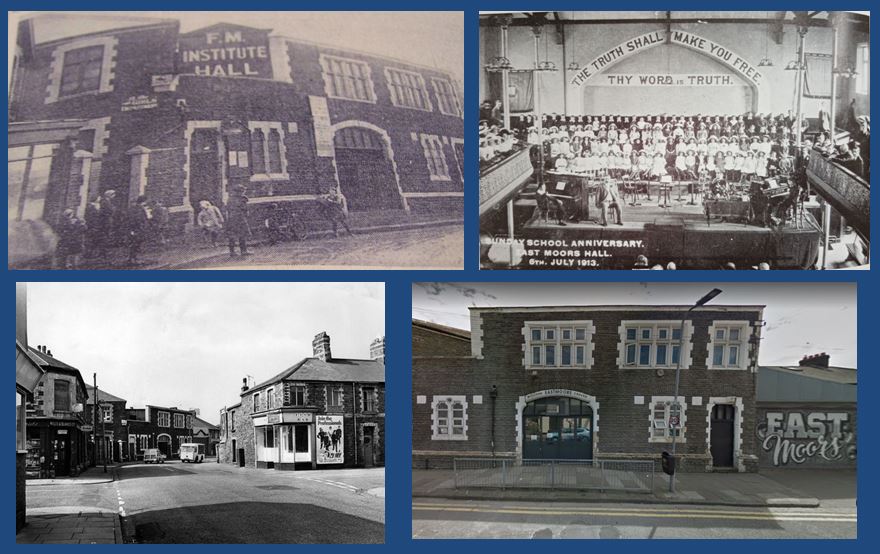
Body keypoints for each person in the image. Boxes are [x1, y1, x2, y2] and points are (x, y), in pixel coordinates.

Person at [225, 185, 252, 256]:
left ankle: (233, 252)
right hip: (239, 218)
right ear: (238, 192)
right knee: (240, 235)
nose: (243, 192)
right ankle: (242, 251)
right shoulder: (240, 199)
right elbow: (244, 209)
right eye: (242, 191)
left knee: (234, 236)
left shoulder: (230, 199)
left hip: (232, 219)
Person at [127, 195, 150, 265]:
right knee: (137, 243)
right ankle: (134, 259)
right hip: (139, 229)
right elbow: (139, 219)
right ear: (143, 201)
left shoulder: (133, 207)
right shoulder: (140, 208)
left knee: (134, 243)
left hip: (135, 228)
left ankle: (132, 258)